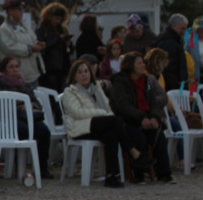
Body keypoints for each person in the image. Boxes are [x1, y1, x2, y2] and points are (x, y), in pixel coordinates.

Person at [60, 59, 158, 188]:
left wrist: (104, 114)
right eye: (80, 72)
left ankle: (111, 176)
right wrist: (101, 113)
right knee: (115, 120)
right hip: (80, 127)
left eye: (86, 71)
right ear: (74, 76)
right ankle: (134, 153)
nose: (84, 75)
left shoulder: (96, 89)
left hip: (98, 124)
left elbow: (108, 107)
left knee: (111, 134)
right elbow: (77, 113)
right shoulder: (70, 92)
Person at [107, 52, 176, 184]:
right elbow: (122, 105)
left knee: (158, 135)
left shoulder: (146, 81)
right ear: (130, 65)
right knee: (138, 136)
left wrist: (154, 118)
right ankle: (139, 173)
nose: (143, 65)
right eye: (139, 63)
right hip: (129, 120)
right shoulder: (120, 82)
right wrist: (141, 118)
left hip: (147, 118)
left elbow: (153, 103)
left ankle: (163, 173)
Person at [0, 56, 53, 179]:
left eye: (17, 66)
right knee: (24, 131)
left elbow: (36, 103)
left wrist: (31, 106)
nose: (15, 69)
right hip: (7, 120)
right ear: (5, 69)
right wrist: (18, 107)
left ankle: (42, 168)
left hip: (27, 118)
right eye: (11, 67)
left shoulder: (25, 85)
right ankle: (19, 166)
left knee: (44, 131)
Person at [0, 0, 45, 88]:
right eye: (18, 9)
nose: (21, 11)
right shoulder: (4, 29)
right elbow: (9, 48)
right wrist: (30, 48)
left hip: (32, 72)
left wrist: (38, 44)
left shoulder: (24, 25)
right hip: (16, 75)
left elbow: (32, 39)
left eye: (22, 9)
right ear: (10, 11)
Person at [36, 2, 72, 92]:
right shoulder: (42, 30)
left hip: (63, 67)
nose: (58, 21)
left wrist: (68, 45)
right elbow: (42, 47)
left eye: (60, 18)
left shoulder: (63, 29)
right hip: (49, 68)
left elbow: (69, 51)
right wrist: (58, 39)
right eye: (56, 18)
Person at [155, 14, 189, 91]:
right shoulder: (169, 42)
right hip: (172, 86)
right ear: (173, 25)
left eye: (185, 29)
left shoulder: (173, 40)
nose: (184, 32)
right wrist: (177, 85)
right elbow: (169, 67)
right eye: (182, 29)